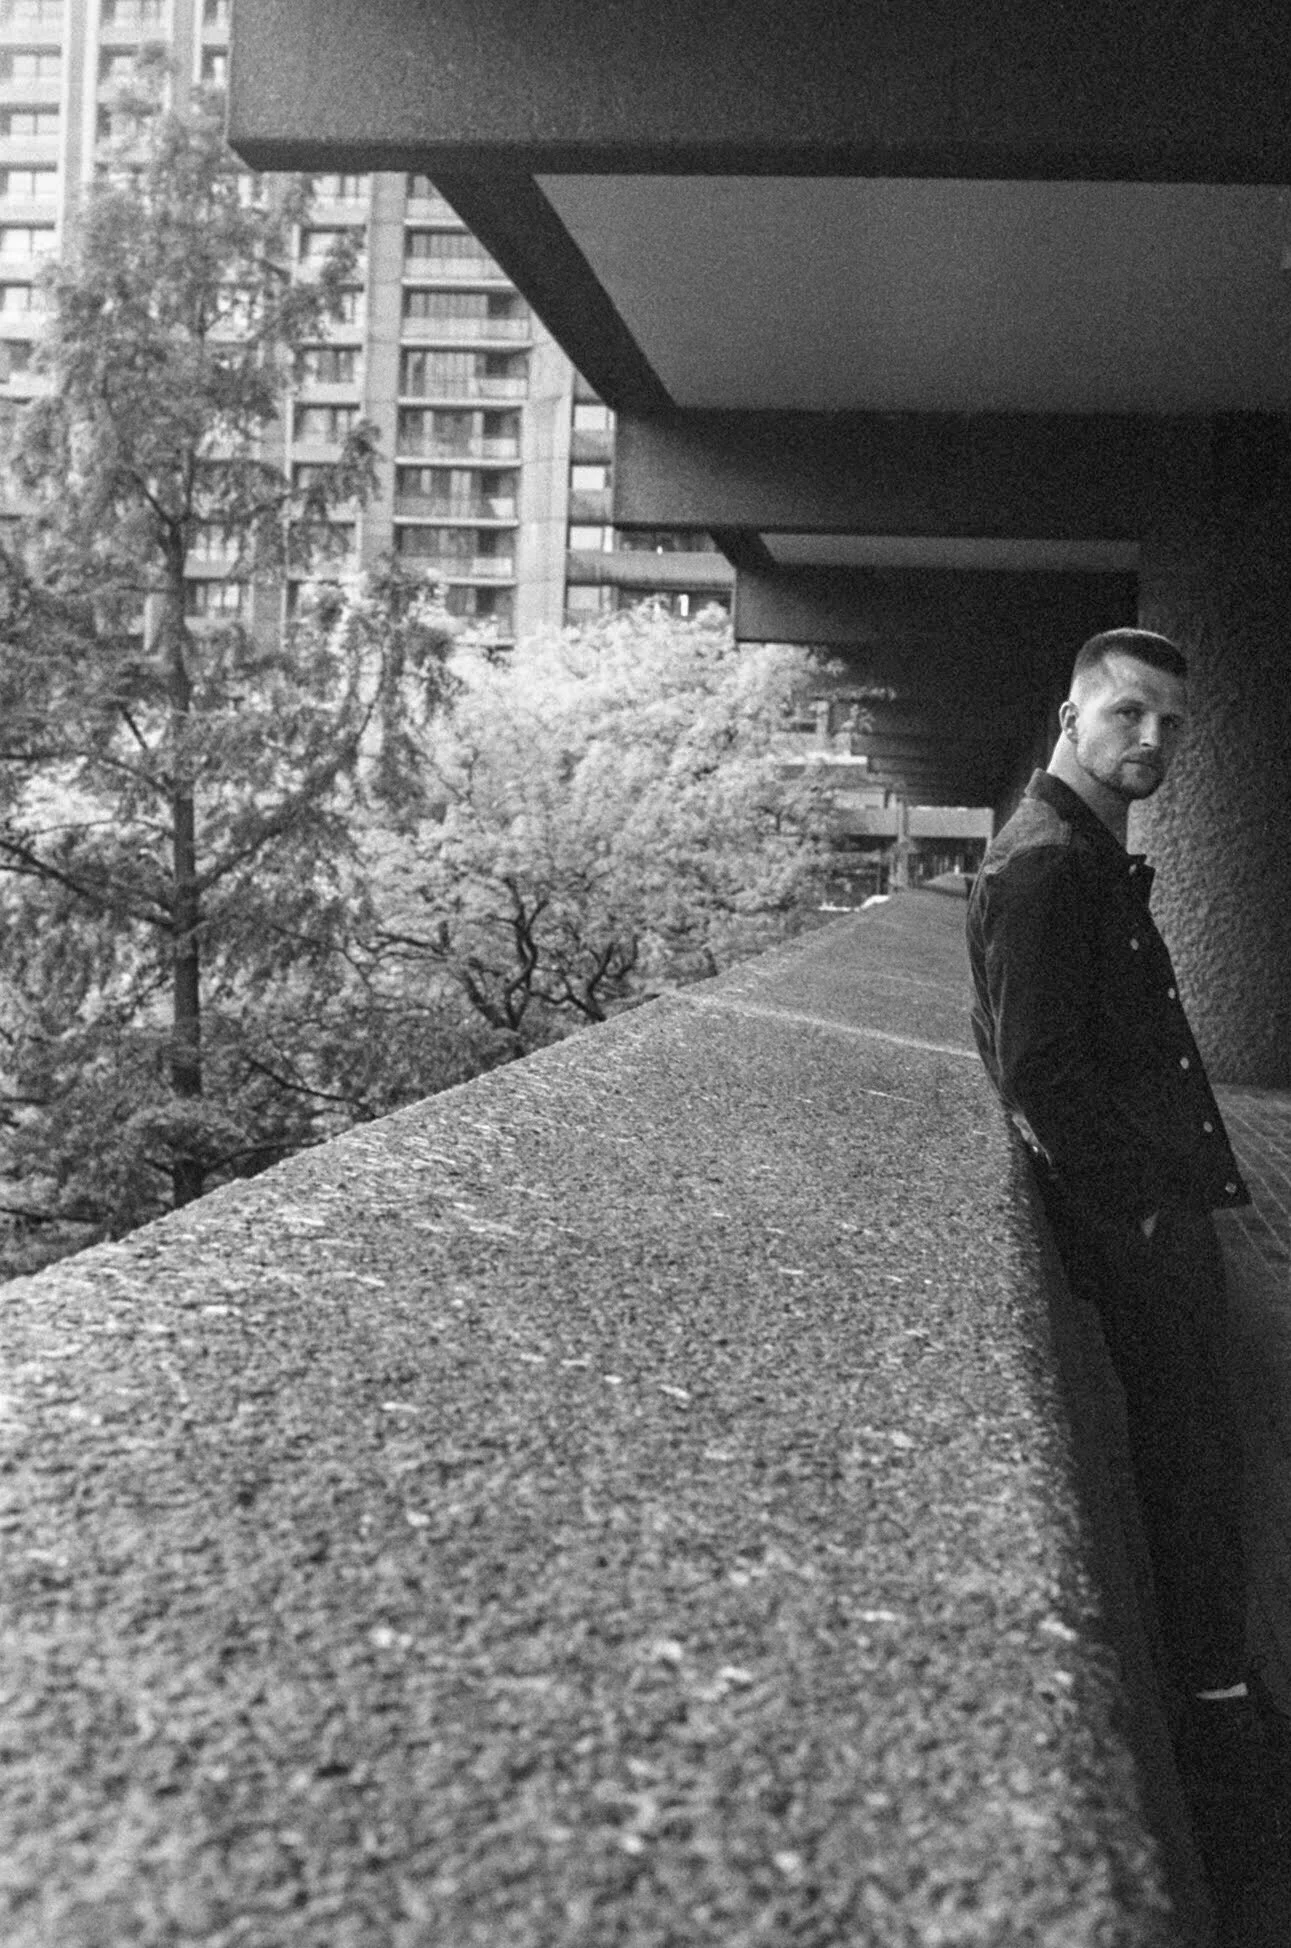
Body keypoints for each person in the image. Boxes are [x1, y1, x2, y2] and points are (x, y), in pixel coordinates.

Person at [966, 627, 1287, 1864]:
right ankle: (1220, 1749)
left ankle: (1224, 1705)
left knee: (1200, 1463)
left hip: (1152, 1213)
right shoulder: (1046, 863)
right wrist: (1144, 1210)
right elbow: (1038, 1072)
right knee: (1189, 1472)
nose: (1152, 739)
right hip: (1133, 1228)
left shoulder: (1078, 851)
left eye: (1170, 725)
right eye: (1128, 714)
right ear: (1072, 716)